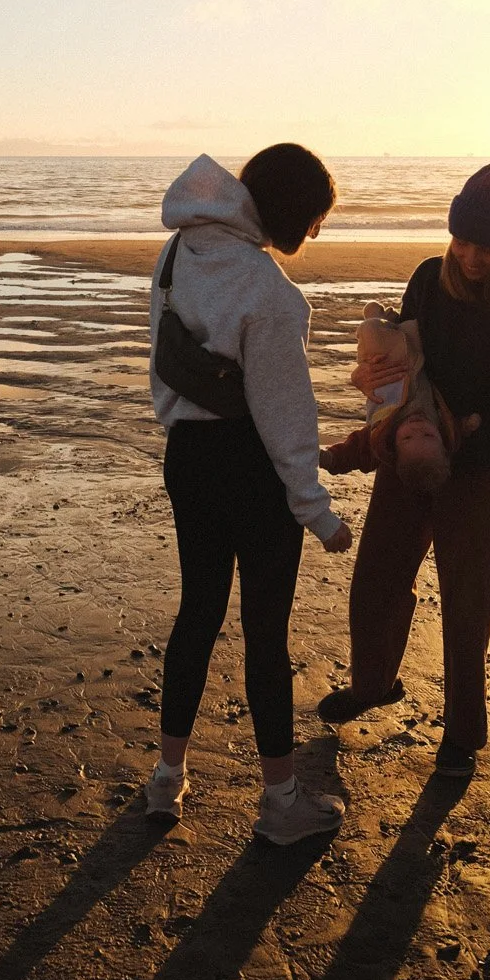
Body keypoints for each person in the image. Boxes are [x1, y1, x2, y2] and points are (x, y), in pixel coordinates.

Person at [318, 152, 490, 779]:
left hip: (482, 469)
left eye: (487, 246)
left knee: (468, 601)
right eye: (462, 239)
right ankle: (371, 683)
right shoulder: (429, 277)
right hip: (413, 453)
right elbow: (403, 363)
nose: (471, 255)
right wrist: (374, 378)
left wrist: (457, 447)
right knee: (376, 575)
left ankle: (462, 734)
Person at [146, 147, 353, 844]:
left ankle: (166, 780)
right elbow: (283, 416)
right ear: (291, 212)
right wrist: (315, 510)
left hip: (186, 457)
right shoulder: (271, 294)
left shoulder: (176, 252)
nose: (315, 233)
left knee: (196, 614)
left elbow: (166, 364)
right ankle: (281, 802)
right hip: (250, 470)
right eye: (315, 220)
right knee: (266, 637)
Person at [319, 302, 480, 493]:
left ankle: (378, 318)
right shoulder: (446, 426)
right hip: (415, 367)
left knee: (372, 333)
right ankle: (395, 323)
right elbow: (458, 429)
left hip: (386, 373)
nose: (417, 427)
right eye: (428, 435)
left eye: (407, 437)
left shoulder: (380, 437)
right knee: (414, 333)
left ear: (394, 446)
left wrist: (329, 459)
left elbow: (355, 453)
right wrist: (468, 424)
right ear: (442, 441)